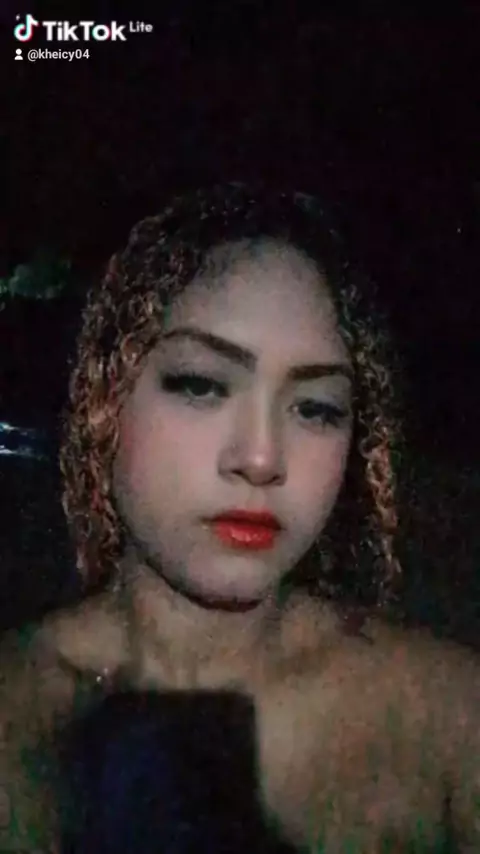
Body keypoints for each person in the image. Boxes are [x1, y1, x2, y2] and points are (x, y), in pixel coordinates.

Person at [0, 183, 479, 852]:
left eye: (315, 408)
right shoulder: (16, 710)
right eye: (201, 384)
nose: (261, 459)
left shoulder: (452, 716)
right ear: (102, 398)